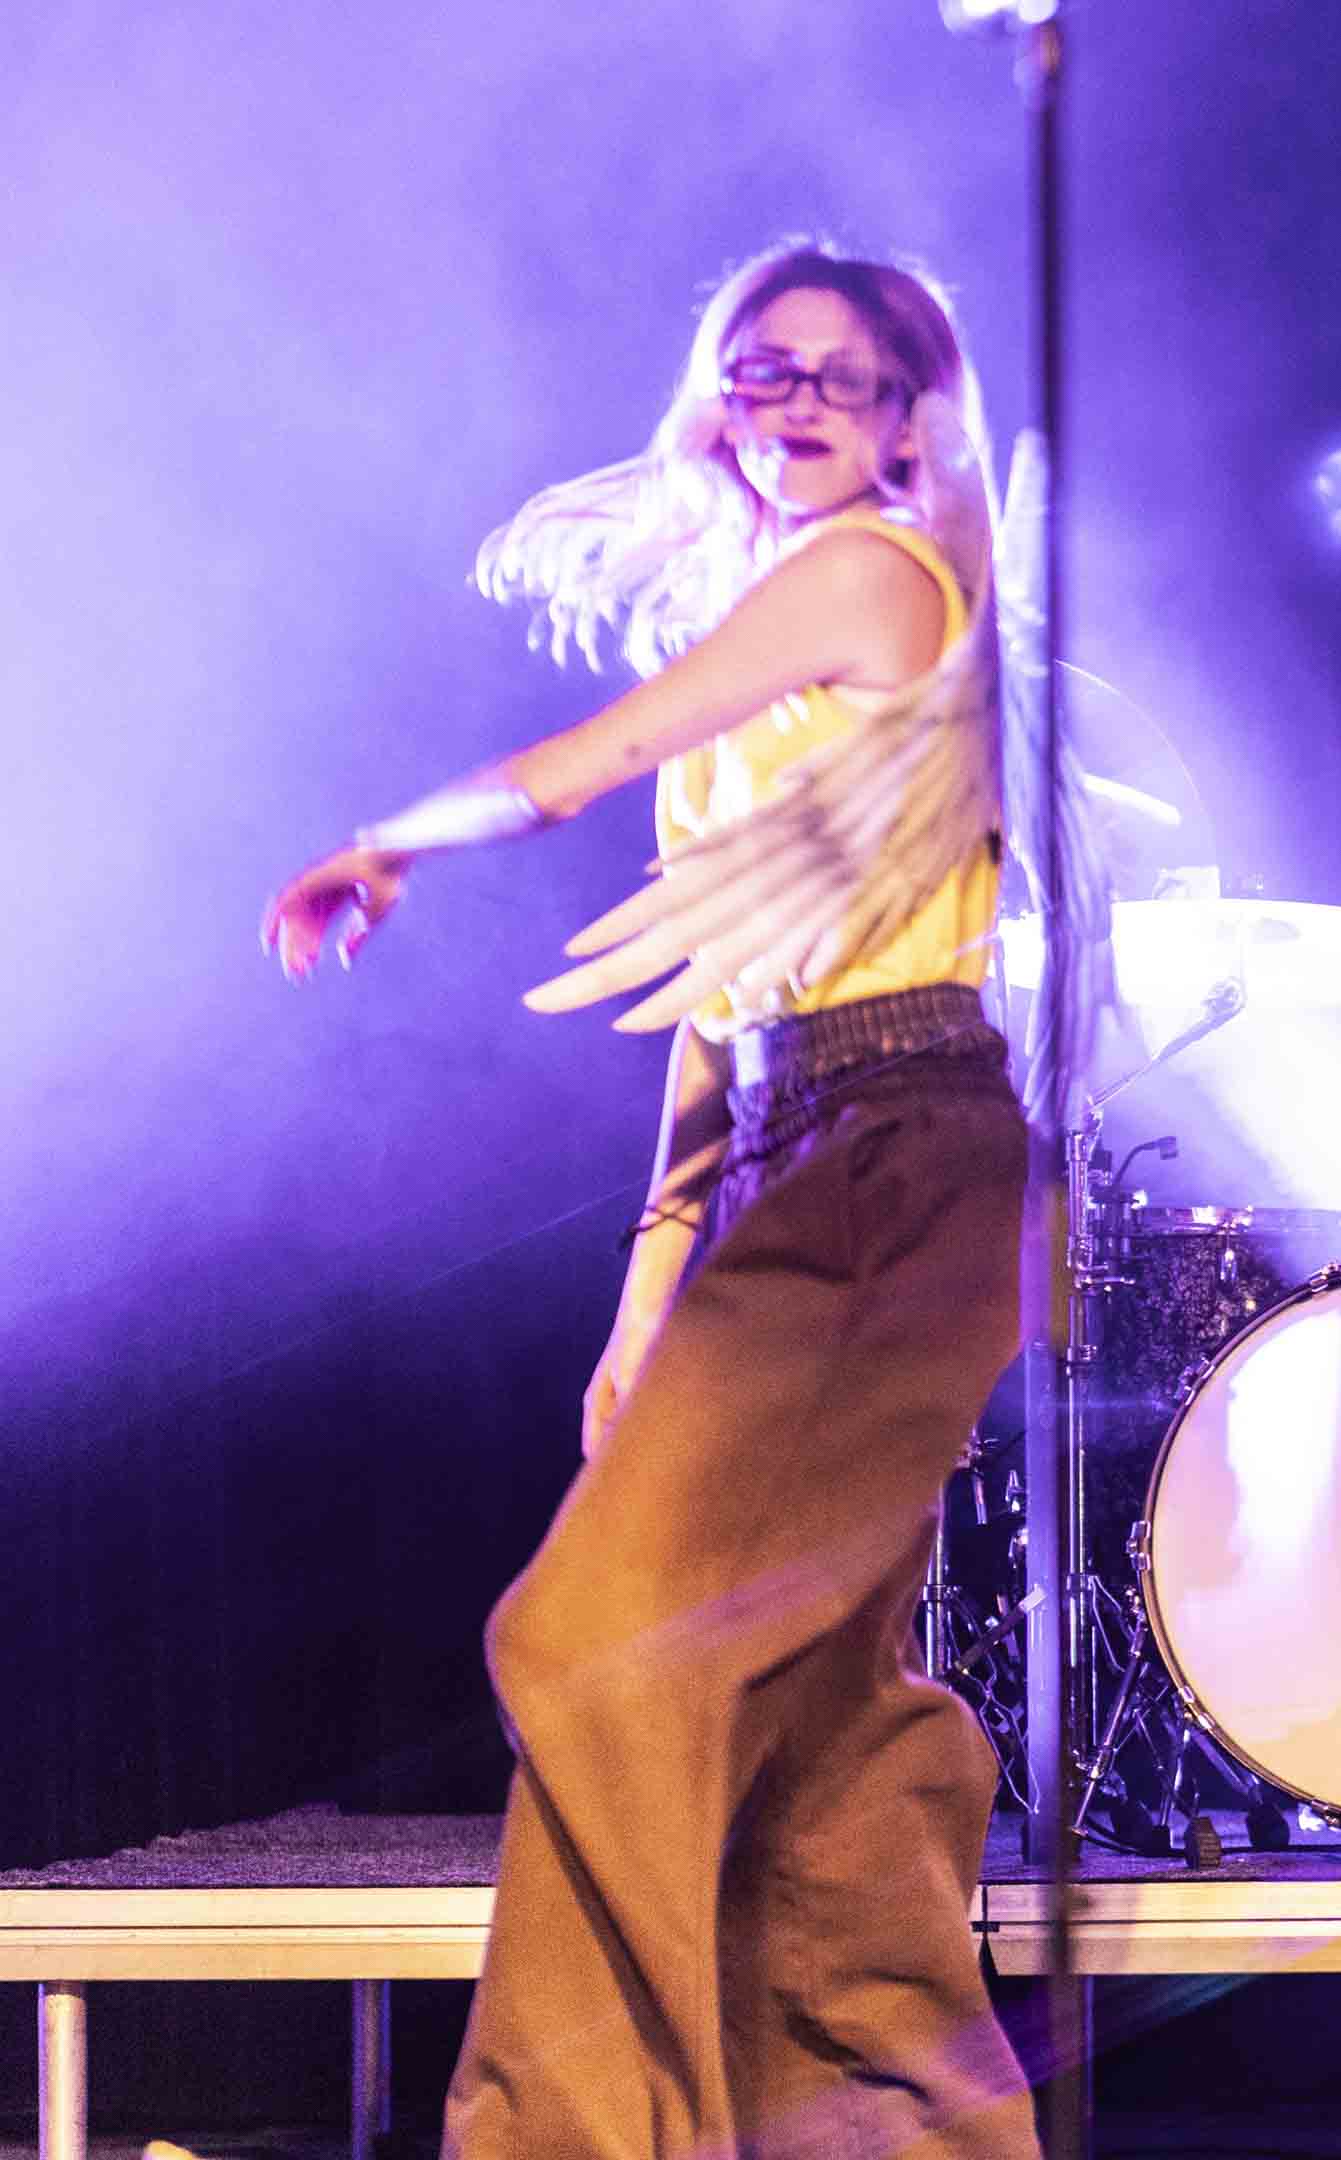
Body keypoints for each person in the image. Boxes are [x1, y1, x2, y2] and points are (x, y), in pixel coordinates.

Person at [257, 241, 1039, 2156]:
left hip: (900, 1146)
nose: (799, 402)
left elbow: (583, 766)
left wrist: (388, 843)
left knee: (590, 1647)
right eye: (763, 368)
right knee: (823, 1729)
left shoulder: (873, 574)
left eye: (843, 376)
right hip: (799, 1153)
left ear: (909, 419)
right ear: (717, 396)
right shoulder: (786, 625)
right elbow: (715, 1016)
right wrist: (644, 1303)